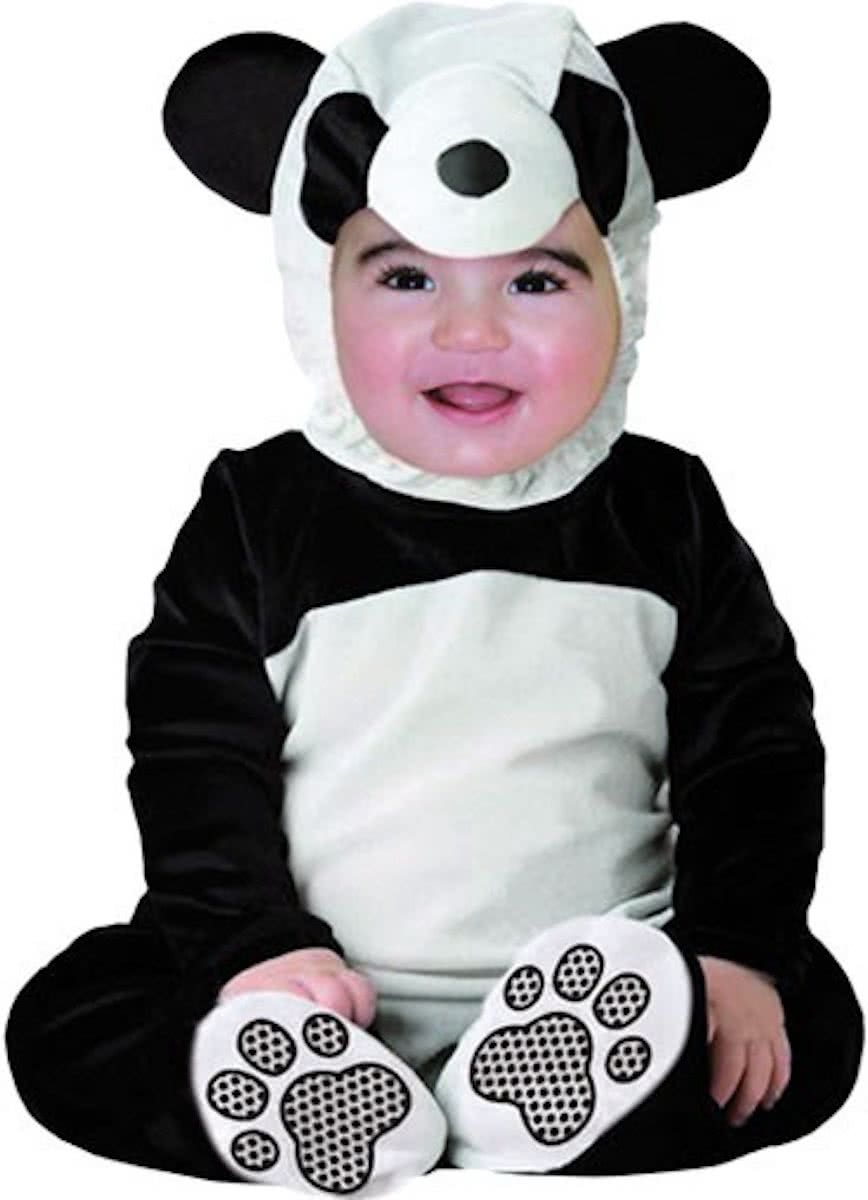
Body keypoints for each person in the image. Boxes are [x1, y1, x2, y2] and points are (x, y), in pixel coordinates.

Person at [5, 2, 863, 1193]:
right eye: (405, 275)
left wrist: (731, 951)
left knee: (803, 1029)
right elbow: (196, 755)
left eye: (538, 279)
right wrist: (255, 948)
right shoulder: (259, 511)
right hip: (313, 990)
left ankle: (553, 1086)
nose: (471, 333)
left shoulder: (664, 508)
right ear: (316, 288)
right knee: (67, 1018)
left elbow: (753, 752)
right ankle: (302, 1084)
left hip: (614, 971)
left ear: (622, 284)